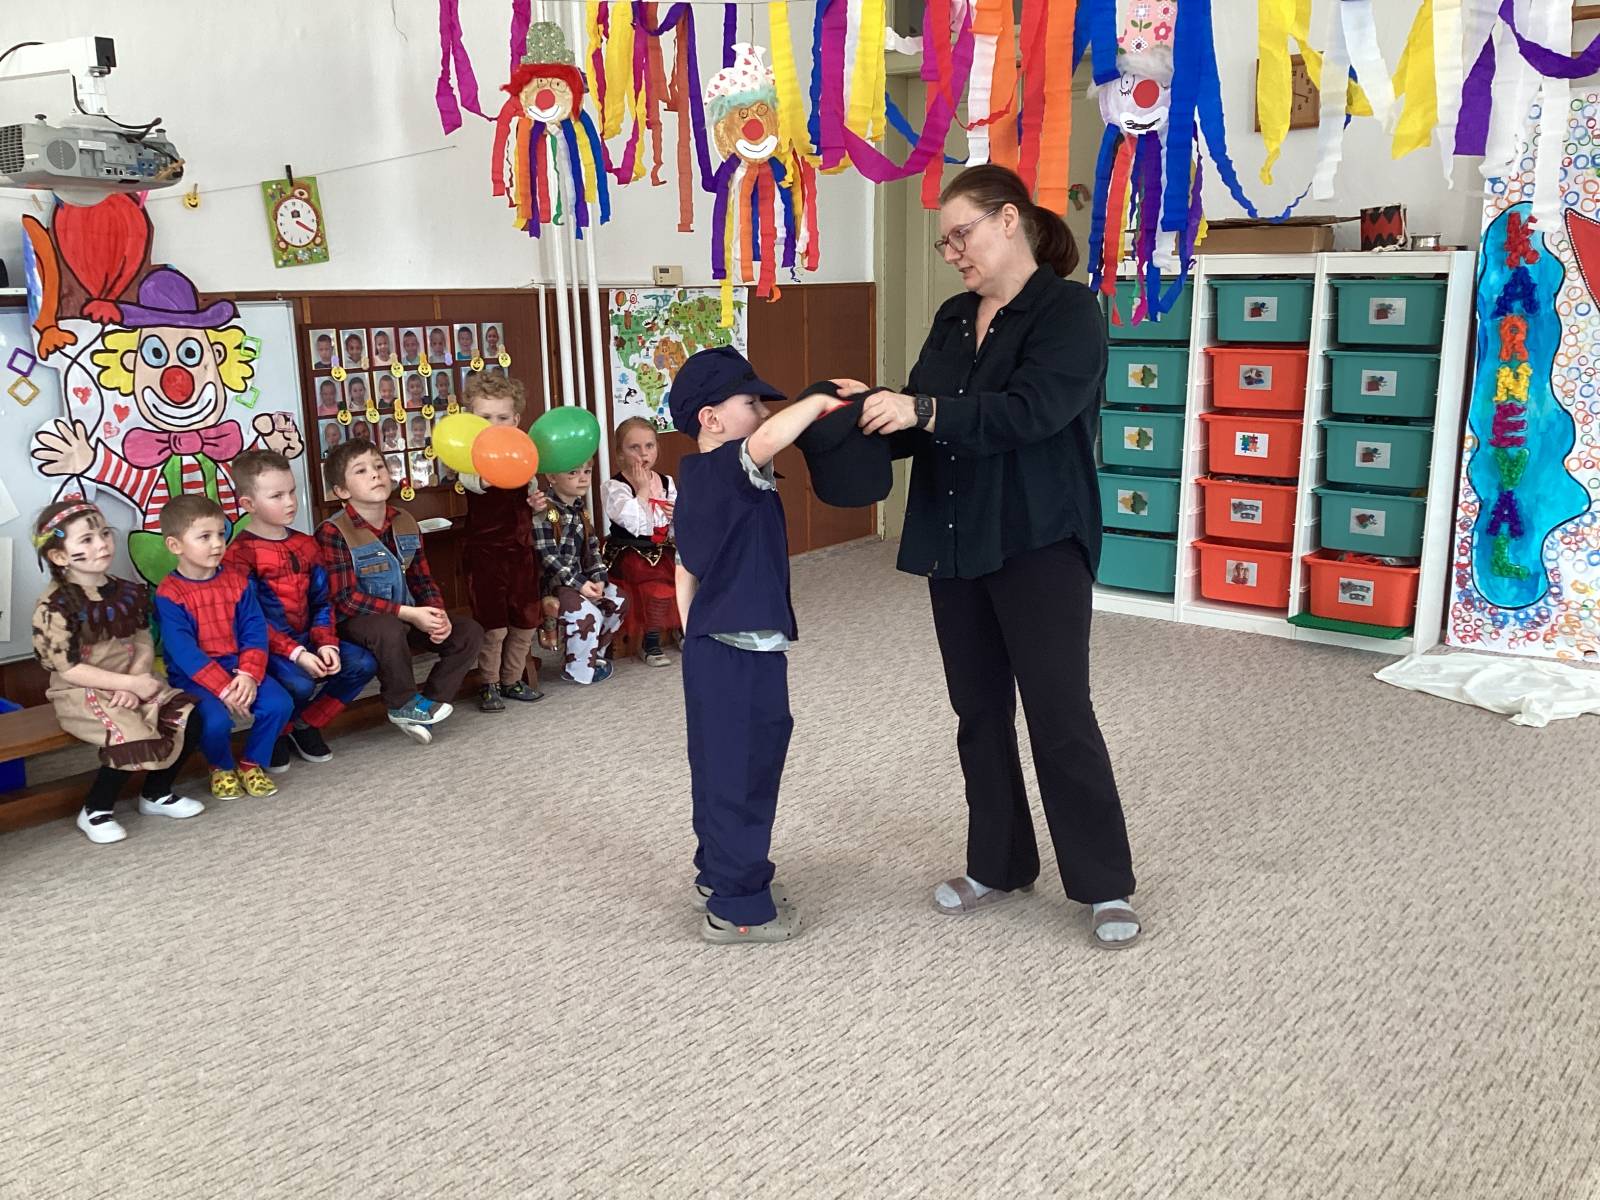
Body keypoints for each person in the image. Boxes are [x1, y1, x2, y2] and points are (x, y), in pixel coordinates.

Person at [846, 163, 1140, 948]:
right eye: (944, 243)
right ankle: (999, 863)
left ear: (1009, 220)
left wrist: (922, 409)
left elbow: (1030, 413)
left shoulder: (1070, 312)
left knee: (1059, 713)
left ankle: (1104, 884)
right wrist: (862, 412)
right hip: (955, 536)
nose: (953, 254)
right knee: (977, 711)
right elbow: (927, 419)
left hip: (1040, 538)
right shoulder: (953, 317)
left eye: (961, 235)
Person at [670, 346, 841, 945]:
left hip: (719, 647)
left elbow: (686, 569)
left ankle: (718, 874)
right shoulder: (725, 468)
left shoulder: (700, 478)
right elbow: (768, 440)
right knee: (742, 773)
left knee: (723, 767)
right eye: (752, 402)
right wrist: (819, 400)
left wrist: (696, 635)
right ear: (712, 418)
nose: (764, 412)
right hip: (737, 653)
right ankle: (738, 907)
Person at [28, 501, 203, 844]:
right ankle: (95, 809)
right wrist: (129, 684)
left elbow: (142, 638)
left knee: (189, 716)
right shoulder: (55, 607)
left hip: (134, 678)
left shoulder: (126, 590)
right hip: (82, 691)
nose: (102, 543)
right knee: (131, 736)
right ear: (60, 556)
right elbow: (69, 668)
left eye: (105, 533)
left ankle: (156, 793)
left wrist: (136, 679)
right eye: (87, 539)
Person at [316, 439, 484, 744]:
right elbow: (344, 600)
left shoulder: (405, 520)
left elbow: (422, 579)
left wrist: (437, 614)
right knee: (388, 628)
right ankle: (402, 702)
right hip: (358, 624)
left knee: (468, 632)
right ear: (341, 491)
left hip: (406, 616)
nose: (375, 474)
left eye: (379, 466)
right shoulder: (333, 531)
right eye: (361, 471)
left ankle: (427, 707)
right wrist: (409, 614)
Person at [223, 451, 378, 773]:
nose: (290, 502)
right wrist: (296, 654)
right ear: (249, 504)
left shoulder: (307, 544)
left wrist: (326, 643)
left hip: (308, 639)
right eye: (277, 496)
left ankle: (304, 723)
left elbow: (322, 601)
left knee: (362, 664)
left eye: (292, 492)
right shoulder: (239, 554)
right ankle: (276, 731)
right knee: (301, 683)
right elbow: (250, 621)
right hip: (266, 649)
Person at [153, 494, 293, 800]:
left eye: (220, 534)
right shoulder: (169, 593)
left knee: (279, 704)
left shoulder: (237, 581)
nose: (217, 544)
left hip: (239, 666)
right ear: (175, 545)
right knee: (214, 721)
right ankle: (221, 767)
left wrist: (249, 675)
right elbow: (184, 652)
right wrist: (224, 689)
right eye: (204, 537)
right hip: (194, 677)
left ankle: (251, 763)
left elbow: (254, 631)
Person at [459, 374, 549, 711]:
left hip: (521, 554)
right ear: (471, 421)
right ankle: (489, 683)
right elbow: (475, 483)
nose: (494, 425)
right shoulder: (470, 461)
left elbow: (533, 510)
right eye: (485, 418)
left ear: (516, 420)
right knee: (493, 626)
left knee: (525, 621)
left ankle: (512, 680)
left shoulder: (524, 461)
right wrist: (493, 469)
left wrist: (537, 506)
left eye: (502, 417)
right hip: (486, 557)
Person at [533, 460, 623, 685]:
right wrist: (579, 584)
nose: (583, 478)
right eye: (573, 472)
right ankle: (578, 671)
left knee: (618, 601)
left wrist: (599, 578)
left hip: (580, 580)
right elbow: (548, 556)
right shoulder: (545, 510)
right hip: (554, 584)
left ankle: (593, 655)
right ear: (552, 477)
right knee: (587, 615)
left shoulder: (580, 509)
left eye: (587, 471)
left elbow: (592, 548)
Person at [602, 417, 679, 668]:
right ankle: (650, 640)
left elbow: (675, 522)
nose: (643, 453)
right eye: (634, 447)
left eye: (649, 446)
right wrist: (643, 490)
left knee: (690, 570)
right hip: (632, 551)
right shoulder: (615, 486)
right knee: (655, 583)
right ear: (620, 454)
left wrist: (676, 515)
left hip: (662, 547)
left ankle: (680, 626)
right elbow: (632, 523)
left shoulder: (666, 481)